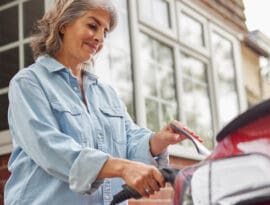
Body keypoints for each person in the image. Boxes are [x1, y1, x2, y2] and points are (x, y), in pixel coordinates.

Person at [4, 0, 191, 204]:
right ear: (63, 25)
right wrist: (121, 167)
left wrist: (158, 140)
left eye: (105, 32)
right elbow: (49, 147)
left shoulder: (106, 93)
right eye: (92, 26)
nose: (99, 38)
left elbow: (129, 139)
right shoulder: (29, 83)